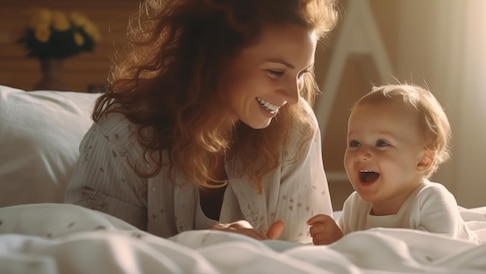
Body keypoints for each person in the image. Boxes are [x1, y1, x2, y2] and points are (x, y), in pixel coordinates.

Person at [64, 0, 339, 243]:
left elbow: (303, 255)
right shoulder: (122, 136)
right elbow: (92, 255)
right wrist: (201, 248)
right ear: (214, 58)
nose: (293, 96)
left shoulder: (295, 128)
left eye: (302, 72)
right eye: (276, 72)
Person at [307, 84, 477, 245]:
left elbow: (435, 251)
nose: (362, 154)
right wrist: (337, 239)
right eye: (354, 143)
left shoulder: (430, 199)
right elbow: (352, 253)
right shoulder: (355, 206)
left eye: (381, 143)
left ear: (423, 160)